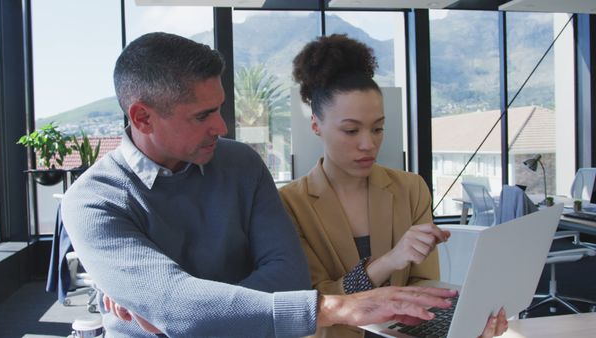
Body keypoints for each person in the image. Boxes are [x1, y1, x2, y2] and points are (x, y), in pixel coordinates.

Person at [61, 32, 457, 337]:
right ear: (143, 118)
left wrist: (194, 314)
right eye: (203, 115)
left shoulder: (240, 163)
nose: (222, 126)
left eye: (219, 108)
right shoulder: (92, 200)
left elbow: (288, 277)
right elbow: (174, 302)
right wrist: (331, 308)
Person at [279, 34, 508, 338]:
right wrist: (388, 262)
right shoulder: (289, 204)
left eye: (378, 128)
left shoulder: (410, 189)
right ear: (316, 126)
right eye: (351, 130)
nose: (368, 143)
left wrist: (461, 326)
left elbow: (424, 288)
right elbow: (313, 304)